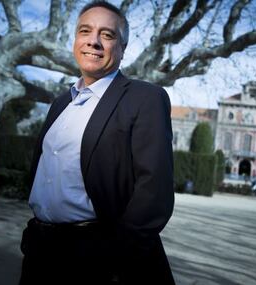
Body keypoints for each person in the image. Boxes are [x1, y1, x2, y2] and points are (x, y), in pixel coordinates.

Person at [19, 1, 175, 284]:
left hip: (95, 257)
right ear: (75, 40)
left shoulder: (145, 98)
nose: (94, 41)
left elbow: (154, 193)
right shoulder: (60, 103)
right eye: (85, 31)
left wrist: (116, 259)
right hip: (39, 253)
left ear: (122, 48)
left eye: (107, 34)